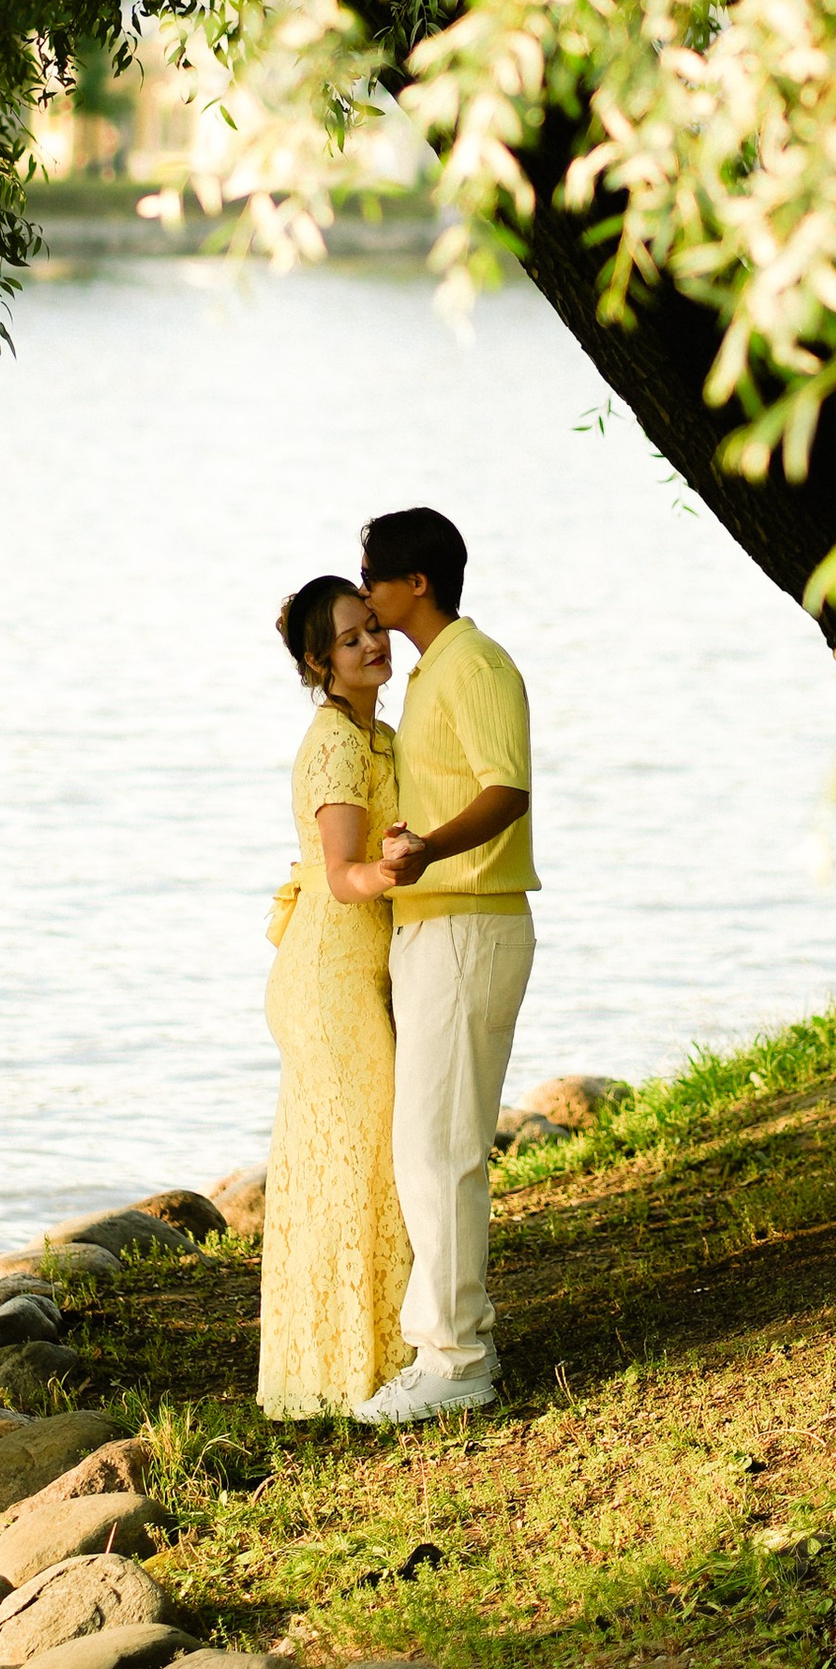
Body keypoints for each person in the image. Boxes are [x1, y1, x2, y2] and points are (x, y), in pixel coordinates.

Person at [351, 506, 536, 1424]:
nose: (364, 591)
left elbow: (509, 788)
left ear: (414, 584)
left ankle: (457, 1360)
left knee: (443, 1147)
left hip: (471, 920)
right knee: (423, 1145)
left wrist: (427, 848)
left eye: (371, 576)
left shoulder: (477, 665)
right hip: (432, 923)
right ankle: (450, 1342)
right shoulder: (431, 675)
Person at [255, 575, 416, 1417]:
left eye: (374, 628)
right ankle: (347, 1375)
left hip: (360, 966)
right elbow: (346, 876)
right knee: (353, 1168)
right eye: (352, 640)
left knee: (364, 1165)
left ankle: (377, 1360)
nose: (372, 645)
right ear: (322, 662)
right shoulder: (337, 744)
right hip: (330, 973)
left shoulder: (378, 734)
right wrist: (395, 866)